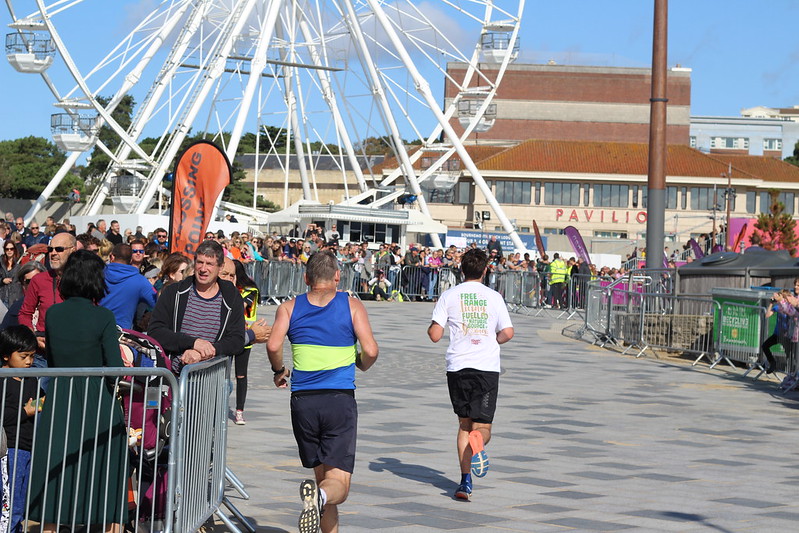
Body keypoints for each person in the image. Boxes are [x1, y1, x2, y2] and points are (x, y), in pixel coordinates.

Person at [266, 250, 378, 533]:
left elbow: (273, 345)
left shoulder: (289, 308)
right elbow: (372, 351)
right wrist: (361, 364)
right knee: (337, 485)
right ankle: (321, 496)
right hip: (338, 400)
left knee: (323, 481)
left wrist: (279, 371)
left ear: (306, 278)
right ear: (338, 277)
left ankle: (319, 498)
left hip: (303, 402)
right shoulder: (351, 305)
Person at [28, 250, 127, 532]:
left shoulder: (55, 315)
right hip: (96, 400)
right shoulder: (104, 316)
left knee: (56, 464)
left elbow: (54, 359)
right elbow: (115, 366)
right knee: (105, 466)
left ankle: (49, 526)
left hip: (61, 396)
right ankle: (109, 525)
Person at [427, 248, 514, 501]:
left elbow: (435, 335)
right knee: (482, 426)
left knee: (464, 424)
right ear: (485, 270)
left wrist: (433, 325)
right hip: (486, 367)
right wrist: (492, 340)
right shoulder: (494, 296)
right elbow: (508, 332)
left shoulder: (449, 295)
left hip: (458, 367)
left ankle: (465, 482)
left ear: (461, 270)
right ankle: (480, 440)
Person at [148, 240, 269, 375]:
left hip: (212, 382)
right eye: (200, 262)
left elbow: (237, 339)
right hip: (174, 379)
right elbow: (155, 331)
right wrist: (193, 343)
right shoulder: (174, 292)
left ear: (220, 267)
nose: (203, 269)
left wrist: (207, 351)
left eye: (209, 264)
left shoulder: (231, 296)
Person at [1, 325, 42, 533]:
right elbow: (4, 417)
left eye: (32, 357)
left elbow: (41, 401)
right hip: (9, 450)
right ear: (6, 355)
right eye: (24, 356)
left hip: (28, 448)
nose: (29, 362)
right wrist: (25, 412)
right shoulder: (2, 380)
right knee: (11, 505)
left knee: (21, 504)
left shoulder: (32, 380)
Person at [221, 258, 264, 425]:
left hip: (246, 336)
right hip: (228, 336)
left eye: (232, 275)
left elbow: (245, 305)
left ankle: (239, 411)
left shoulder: (250, 289)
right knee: (223, 374)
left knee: (241, 374)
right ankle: (221, 406)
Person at [18, 232, 76, 352]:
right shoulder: (39, 280)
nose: (53, 253)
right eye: (50, 249)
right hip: (44, 351)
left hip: (75, 348)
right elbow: (25, 313)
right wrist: (33, 337)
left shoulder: (83, 280)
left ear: (73, 250)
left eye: (59, 249)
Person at [99, 243, 158, 329]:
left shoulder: (98, 275)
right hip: (121, 333)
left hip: (95, 329)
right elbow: (157, 303)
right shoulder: (140, 281)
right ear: (131, 260)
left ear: (111, 257)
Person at [0, 240, 21, 309]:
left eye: (11, 249)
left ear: (14, 249)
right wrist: (2, 280)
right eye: (7, 249)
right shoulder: (1, 262)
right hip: (2, 296)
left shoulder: (20, 262)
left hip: (15, 297)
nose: (9, 251)